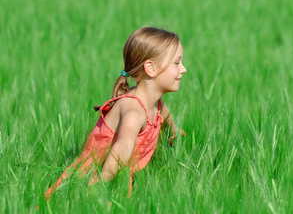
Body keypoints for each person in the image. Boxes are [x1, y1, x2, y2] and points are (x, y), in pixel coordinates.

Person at [44, 27, 187, 200]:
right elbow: (122, 147)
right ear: (151, 68)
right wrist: (99, 185)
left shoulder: (155, 103)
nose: (183, 69)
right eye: (177, 63)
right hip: (95, 175)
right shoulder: (134, 112)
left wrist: (173, 130)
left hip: (121, 176)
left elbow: (164, 114)